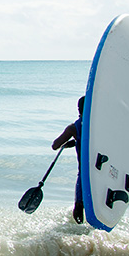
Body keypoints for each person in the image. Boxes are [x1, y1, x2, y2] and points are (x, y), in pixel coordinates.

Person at [52, 95, 85, 224]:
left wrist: (74, 138)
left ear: (78, 109)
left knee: (78, 206)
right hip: (100, 171)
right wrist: (76, 142)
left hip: (84, 175)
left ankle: (80, 237)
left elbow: (55, 146)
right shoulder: (99, 126)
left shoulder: (73, 128)